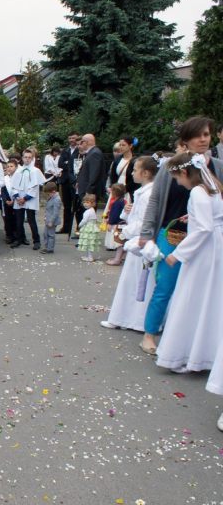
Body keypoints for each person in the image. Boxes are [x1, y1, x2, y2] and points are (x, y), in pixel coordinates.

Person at [138, 116, 223, 354]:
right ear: (186, 140)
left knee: (202, 290)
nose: (204, 139)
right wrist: (147, 232)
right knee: (165, 284)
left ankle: (195, 339)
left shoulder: (217, 166)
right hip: (173, 233)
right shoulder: (171, 166)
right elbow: (156, 199)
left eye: (207, 134)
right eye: (198, 135)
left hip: (206, 239)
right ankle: (150, 333)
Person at [154, 152, 223, 375]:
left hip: (204, 252)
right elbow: (211, 218)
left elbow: (204, 227)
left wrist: (179, 254)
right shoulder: (212, 185)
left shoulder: (197, 191)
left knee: (191, 297)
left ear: (184, 172)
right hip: (215, 247)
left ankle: (184, 354)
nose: (178, 183)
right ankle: (200, 352)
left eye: (177, 178)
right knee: (208, 299)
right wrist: (190, 216)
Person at [101, 156, 158, 334]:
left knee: (139, 281)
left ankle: (136, 319)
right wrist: (128, 213)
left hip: (140, 241)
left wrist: (124, 231)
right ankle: (125, 316)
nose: (132, 173)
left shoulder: (149, 194)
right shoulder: (143, 191)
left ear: (146, 173)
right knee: (132, 280)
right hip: (137, 240)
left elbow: (145, 221)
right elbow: (137, 215)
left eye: (135, 170)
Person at [10, 148, 45, 250]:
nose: (27, 159)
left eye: (29, 157)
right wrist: (17, 197)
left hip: (29, 200)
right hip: (19, 200)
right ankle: (19, 239)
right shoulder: (18, 171)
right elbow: (13, 186)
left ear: (32, 158)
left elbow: (35, 188)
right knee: (19, 221)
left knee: (31, 220)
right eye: (25, 157)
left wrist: (25, 199)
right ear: (22, 158)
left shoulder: (35, 171)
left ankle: (36, 241)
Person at [75, 134, 107, 226]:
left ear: (87, 142)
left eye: (82, 142)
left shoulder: (95, 153)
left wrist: (89, 191)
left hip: (89, 191)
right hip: (85, 188)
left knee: (88, 215)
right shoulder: (92, 152)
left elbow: (94, 174)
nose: (80, 144)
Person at [57, 132, 80, 236]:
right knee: (66, 205)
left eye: (73, 138)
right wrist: (69, 164)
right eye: (70, 138)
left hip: (75, 181)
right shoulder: (65, 150)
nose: (71, 140)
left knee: (77, 205)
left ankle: (78, 228)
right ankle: (66, 227)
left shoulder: (79, 150)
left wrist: (68, 163)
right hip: (65, 181)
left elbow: (77, 165)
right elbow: (60, 163)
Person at [104, 183, 128, 265]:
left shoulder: (116, 203)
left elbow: (114, 215)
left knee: (118, 243)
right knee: (122, 242)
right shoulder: (124, 201)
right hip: (123, 224)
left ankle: (117, 259)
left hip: (117, 225)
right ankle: (121, 257)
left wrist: (110, 223)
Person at [77, 193, 100, 262]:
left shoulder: (87, 212)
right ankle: (88, 256)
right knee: (89, 242)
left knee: (88, 242)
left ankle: (90, 257)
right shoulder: (92, 210)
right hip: (92, 227)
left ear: (92, 203)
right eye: (84, 202)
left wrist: (79, 225)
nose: (85, 204)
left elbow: (84, 220)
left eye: (88, 202)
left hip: (88, 228)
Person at [41, 181, 61, 254]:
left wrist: (51, 221)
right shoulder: (52, 197)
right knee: (45, 234)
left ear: (53, 191)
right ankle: (46, 246)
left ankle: (50, 248)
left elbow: (56, 212)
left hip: (52, 221)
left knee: (51, 235)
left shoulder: (56, 199)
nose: (48, 195)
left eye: (49, 193)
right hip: (48, 219)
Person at [1, 159, 18, 245]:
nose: (9, 168)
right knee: (8, 219)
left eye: (11, 166)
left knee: (16, 219)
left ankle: (17, 236)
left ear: (16, 167)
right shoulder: (5, 178)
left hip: (16, 200)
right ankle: (9, 235)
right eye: (8, 166)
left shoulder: (18, 177)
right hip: (7, 201)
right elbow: (3, 190)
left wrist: (14, 200)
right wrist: (6, 200)